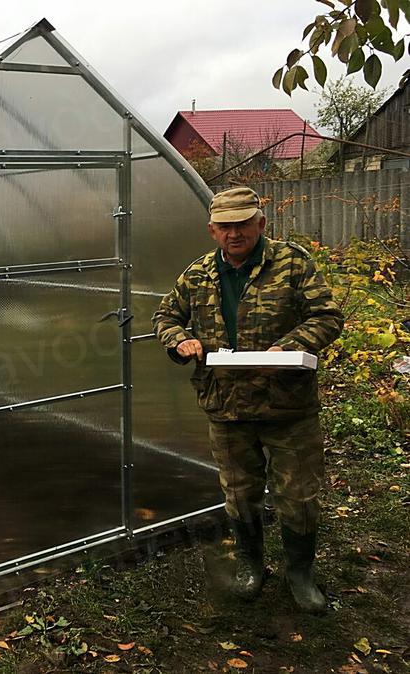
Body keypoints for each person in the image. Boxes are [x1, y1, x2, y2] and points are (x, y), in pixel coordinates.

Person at [152, 186, 344, 612]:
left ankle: (300, 573)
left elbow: (327, 316)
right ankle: (251, 564)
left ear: (260, 222)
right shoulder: (199, 273)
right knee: (239, 493)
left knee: (298, 495)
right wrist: (180, 339)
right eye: (225, 226)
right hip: (226, 405)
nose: (233, 233)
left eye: (242, 224)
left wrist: (290, 345)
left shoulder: (292, 264)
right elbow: (165, 315)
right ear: (212, 230)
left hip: (287, 406)